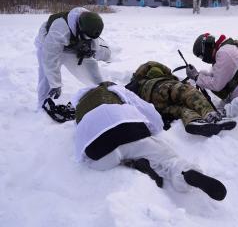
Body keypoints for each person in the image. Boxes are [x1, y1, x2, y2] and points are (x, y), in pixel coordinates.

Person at [72, 82, 227, 201]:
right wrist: (155, 129)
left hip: (99, 149)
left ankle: (132, 163)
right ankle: (184, 173)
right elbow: (145, 108)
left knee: (100, 161)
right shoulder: (114, 90)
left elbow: (80, 137)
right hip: (129, 130)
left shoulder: (79, 107)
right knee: (168, 159)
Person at [125, 61, 237, 137]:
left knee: (180, 109)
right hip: (161, 89)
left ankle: (194, 121)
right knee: (187, 91)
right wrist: (170, 76)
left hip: (155, 106)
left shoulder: (137, 86)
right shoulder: (160, 80)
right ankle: (211, 115)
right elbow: (151, 64)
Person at [35, 7, 111, 108]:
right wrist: (55, 84)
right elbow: (49, 59)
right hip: (47, 44)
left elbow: (94, 49)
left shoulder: (90, 24)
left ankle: (101, 91)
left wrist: (90, 51)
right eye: (86, 37)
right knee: (46, 76)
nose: (88, 40)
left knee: (89, 65)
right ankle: (43, 105)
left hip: (71, 44)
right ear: (80, 28)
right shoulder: (60, 29)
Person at [188, 33, 238, 104]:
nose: (203, 59)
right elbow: (218, 74)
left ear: (206, 50)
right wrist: (200, 75)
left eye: (201, 56)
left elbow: (217, 85)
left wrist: (197, 77)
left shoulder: (225, 53)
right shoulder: (225, 48)